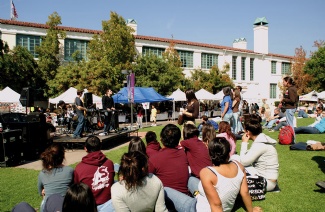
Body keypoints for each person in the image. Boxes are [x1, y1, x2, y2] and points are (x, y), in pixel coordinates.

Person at [196, 137, 255, 212]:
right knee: (192, 181)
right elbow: (245, 192)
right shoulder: (239, 166)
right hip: (225, 207)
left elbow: (217, 205)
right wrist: (251, 211)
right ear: (228, 152)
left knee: (178, 192)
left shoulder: (207, 173)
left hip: (201, 208)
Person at [233, 114, 279, 191]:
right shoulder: (263, 140)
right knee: (236, 158)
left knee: (235, 159)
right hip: (268, 179)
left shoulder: (260, 144)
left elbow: (244, 162)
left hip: (266, 181)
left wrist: (244, 143)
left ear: (248, 132)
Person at [73, 136, 115, 212]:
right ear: (100, 146)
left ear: (85, 148)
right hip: (108, 204)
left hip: (90, 206)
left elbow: (76, 190)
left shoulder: (79, 168)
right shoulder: (109, 163)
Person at [148, 124, 189, 194]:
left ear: (161, 139)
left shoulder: (155, 158)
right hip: (185, 195)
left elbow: (145, 179)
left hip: (166, 199)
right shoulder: (183, 153)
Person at [38, 143, 74, 212]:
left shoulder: (43, 173)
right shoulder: (69, 170)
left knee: (43, 201)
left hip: (48, 206)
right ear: (62, 156)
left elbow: (41, 192)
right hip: (65, 206)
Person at [180, 124, 212, 196]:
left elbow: (177, 146)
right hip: (209, 176)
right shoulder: (200, 142)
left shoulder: (187, 142)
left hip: (200, 179)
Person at [280, 76, 298, 143]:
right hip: (289, 108)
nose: (283, 83)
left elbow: (292, 100)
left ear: (287, 82)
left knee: (290, 125)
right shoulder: (291, 88)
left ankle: (293, 140)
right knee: (289, 124)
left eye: (284, 82)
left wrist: (284, 99)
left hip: (290, 108)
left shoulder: (291, 89)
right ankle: (290, 138)